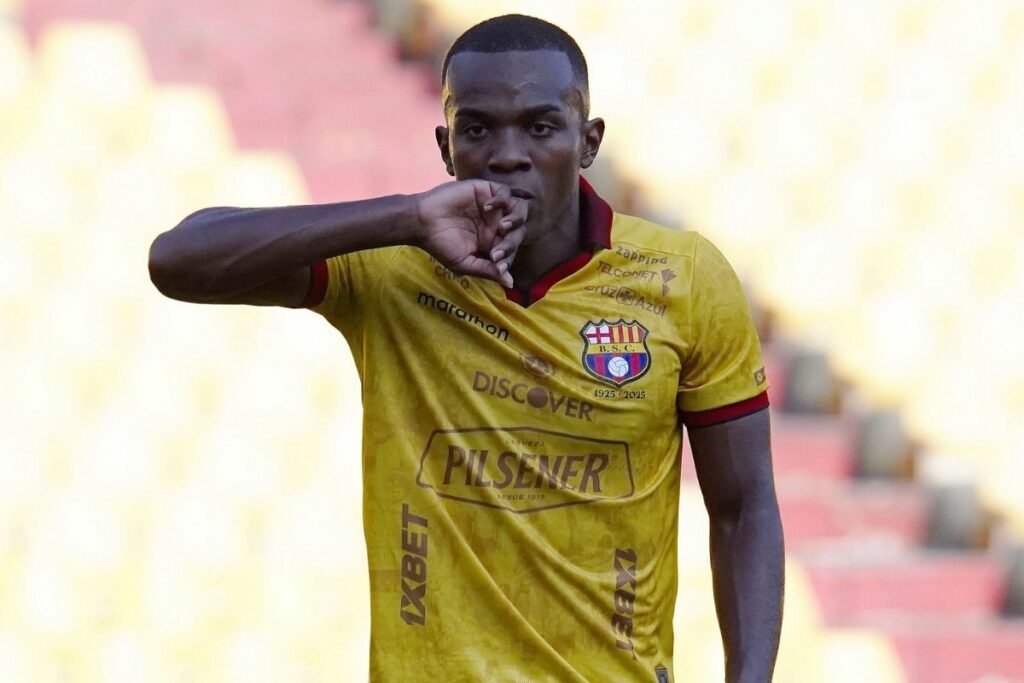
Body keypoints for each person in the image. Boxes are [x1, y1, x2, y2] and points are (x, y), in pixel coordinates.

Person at [148, 14, 784, 682]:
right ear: (446, 147)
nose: (508, 154)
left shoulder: (683, 280)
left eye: (540, 126)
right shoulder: (390, 267)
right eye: (477, 130)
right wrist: (406, 217)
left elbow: (744, 506)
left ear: (588, 140)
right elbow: (178, 259)